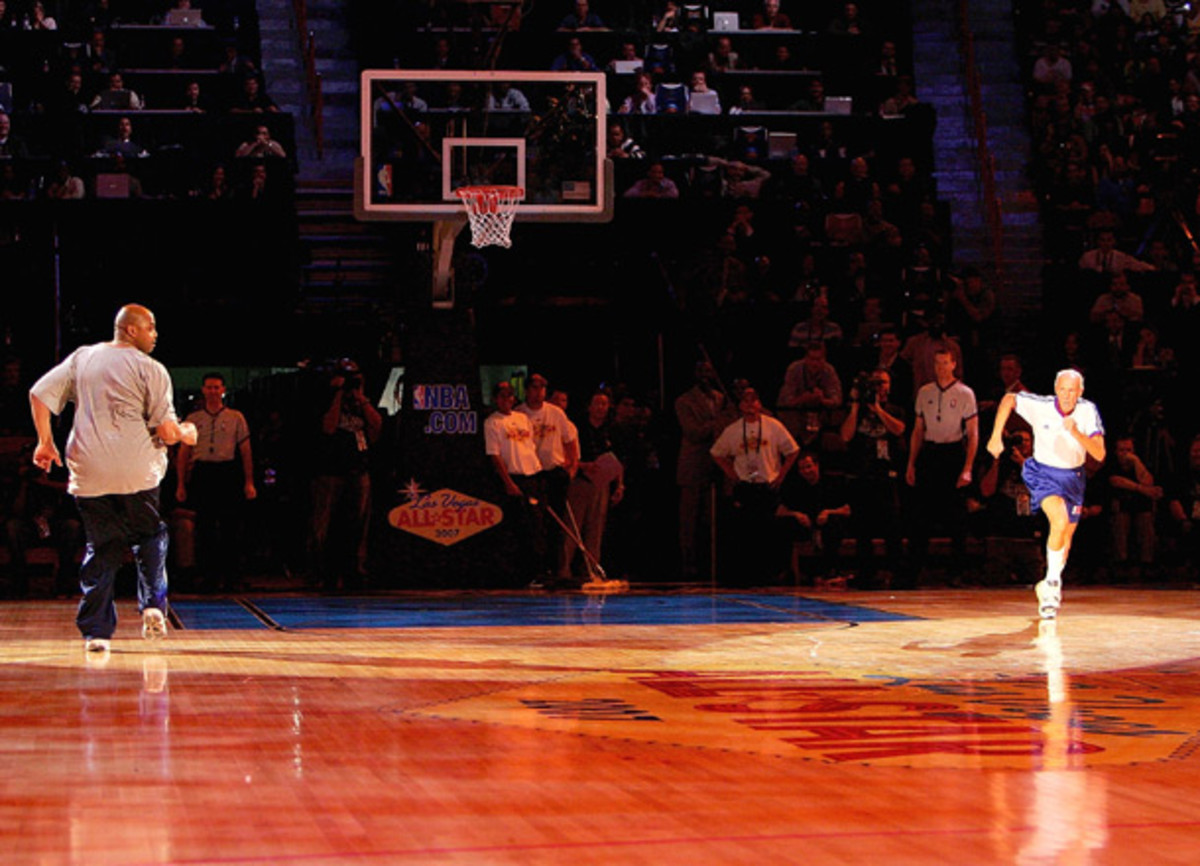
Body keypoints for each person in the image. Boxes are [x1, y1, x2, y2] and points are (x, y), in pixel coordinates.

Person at [29, 304, 198, 655]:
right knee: (150, 537)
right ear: (132, 330)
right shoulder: (151, 369)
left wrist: (45, 442)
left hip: (89, 470)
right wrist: (187, 433)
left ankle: (97, 633)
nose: (156, 334)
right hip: (136, 470)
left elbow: (38, 394)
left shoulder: (83, 358)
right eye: (151, 328)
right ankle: (152, 604)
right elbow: (166, 432)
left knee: (102, 546)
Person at [986, 369, 1106, 618]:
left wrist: (1076, 433)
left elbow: (1099, 453)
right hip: (1043, 473)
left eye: (1072, 390)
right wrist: (996, 435)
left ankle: (1048, 582)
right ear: (1055, 388)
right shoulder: (1041, 405)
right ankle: (1052, 586)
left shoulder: (1087, 411)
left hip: (1073, 477)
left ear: (1080, 392)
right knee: (1058, 521)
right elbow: (1009, 399)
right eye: (1062, 389)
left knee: (1066, 538)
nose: (1066, 395)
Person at [175, 373, 256, 592]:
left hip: (226, 471)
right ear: (203, 390)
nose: (212, 391)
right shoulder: (193, 419)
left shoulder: (236, 417)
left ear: (223, 390)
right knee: (205, 527)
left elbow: (245, 451)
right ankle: (208, 575)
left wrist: (249, 481)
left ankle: (231, 575)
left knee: (230, 526)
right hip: (203, 473)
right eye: (209, 387)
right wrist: (181, 484)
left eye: (216, 387)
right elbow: (184, 453)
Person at [905, 348, 979, 587]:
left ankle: (956, 572)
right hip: (931, 452)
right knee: (921, 516)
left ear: (953, 364)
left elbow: (973, 433)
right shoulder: (924, 392)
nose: (941, 368)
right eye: (937, 363)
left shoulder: (965, 393)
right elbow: (918, 430)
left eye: (945, 363)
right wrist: (911, 463)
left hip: (953, 452)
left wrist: (967, 467)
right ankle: (915, 571)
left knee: (956, 516)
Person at [711, 386, 799, 584]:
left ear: (759, 403)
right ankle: (748, 576)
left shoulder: (773, 426)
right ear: (740, 405)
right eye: (745, 400)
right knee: (746, 533)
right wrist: (732, 474)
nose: (750, 404)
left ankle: (770, 575)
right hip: (745, 486)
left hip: (767, 485)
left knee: (768, 532)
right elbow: (717, 453)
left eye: (754, 400)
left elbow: (792, 451)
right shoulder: (733, 429)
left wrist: (781, 475)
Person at [307, 359, 382, 592]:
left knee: (358, 524)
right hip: (330, 471)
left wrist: (362, 398)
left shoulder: (362, 402)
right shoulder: (325, 398)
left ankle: (355, 573)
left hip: (358, 470)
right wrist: (338, 393)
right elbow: (328, 427)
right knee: (323, 526)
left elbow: (376, 429)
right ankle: (321, 573)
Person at [675, 361, 735, 580]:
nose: (705, 376)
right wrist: (718, 422)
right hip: (693, 466)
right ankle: (688, 566)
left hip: (717, 466)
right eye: (701, 371)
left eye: (709, 371)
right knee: (689, 519)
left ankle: (711, 564)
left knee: (711, 519)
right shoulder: (684, 401)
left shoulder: (721, 399)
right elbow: (693, 432)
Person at [517, 373, 578, 578]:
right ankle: (536, 570)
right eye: (534, 388)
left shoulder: (556, 413)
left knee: (557, 524)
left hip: (554, 473)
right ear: (526, 390)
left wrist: (571, 470)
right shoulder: (519, 414)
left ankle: (558, 569)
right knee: (535, 524)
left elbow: (570, 443)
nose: (538, 392)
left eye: (542, 388)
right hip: (532, 474)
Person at [484, 380, 546, 582]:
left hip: (532, 476)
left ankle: (538, 571)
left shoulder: (522, 418)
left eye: (510, 396)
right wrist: (508, 483)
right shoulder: (492, 422)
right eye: (502, 396)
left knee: (536, 525)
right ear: (496, 399)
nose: (507, 400)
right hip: (514, 478)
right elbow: (495, 455)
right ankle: (519, 573)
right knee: (518, 527)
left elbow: (530, 447)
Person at [564, 390, 623, 577]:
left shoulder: (612, 429)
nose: (600, 408)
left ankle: (591, 569)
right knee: (573, 527)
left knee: (595, 529)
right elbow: (565, 456)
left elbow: (618, 460)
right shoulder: (577, 428)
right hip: (580, 481)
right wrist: (582, 466)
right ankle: (564, 569)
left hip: (602, 482)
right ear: (589, 406)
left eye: (604, 404)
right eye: (597, 403)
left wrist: (620, 484)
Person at [776, 451, 852, 586]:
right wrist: (796, 514)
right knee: (785, 525)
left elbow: (846, 509)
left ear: (817, 466)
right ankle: (788, 572)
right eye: (802, 468)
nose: (806, 471)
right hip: (804, 527)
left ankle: (830, 571)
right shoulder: (794, 485)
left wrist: (828, 512)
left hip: (827, 525)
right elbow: (780, 510)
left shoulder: (832, 483)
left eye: (809, 466)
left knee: (833, 525)